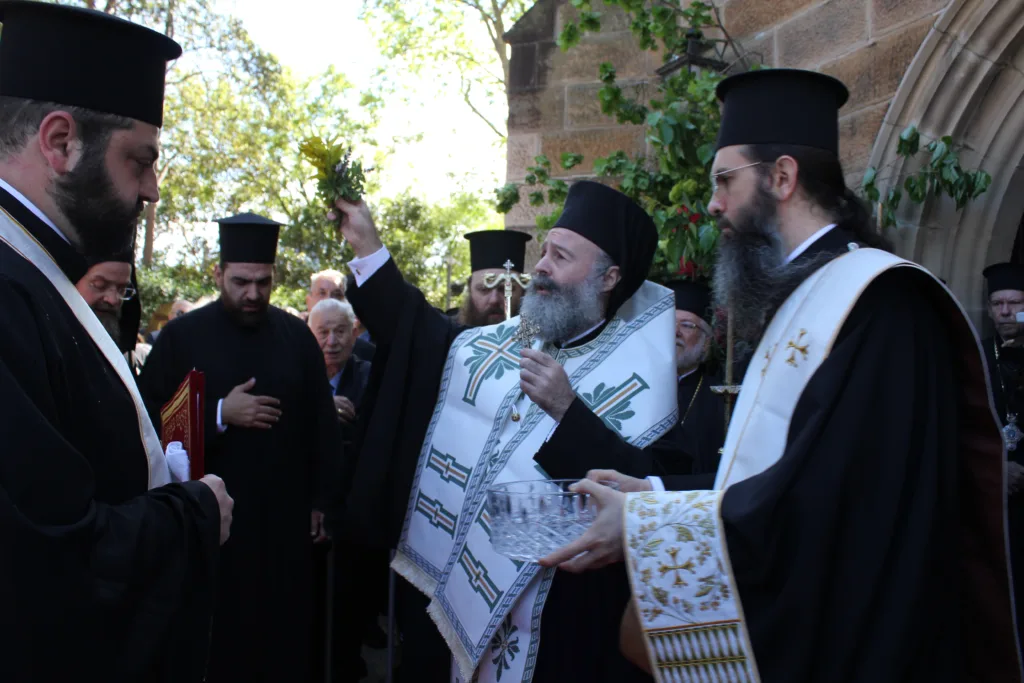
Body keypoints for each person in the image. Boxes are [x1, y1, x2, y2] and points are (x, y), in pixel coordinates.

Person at [540, 68, 1020, 681]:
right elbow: (777, 475)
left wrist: (646, 525)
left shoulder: (881, 304)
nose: (712, 203)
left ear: (783, 177)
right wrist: (658, 494)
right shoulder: (808, 294)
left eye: (724, 180)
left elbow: (828, 500)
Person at [335, 180, 678, 683]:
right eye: (545, 250)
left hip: (556, 611)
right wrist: (368, 246)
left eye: (561, 256)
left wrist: (567, 409)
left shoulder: (642, 376)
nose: (540, 265)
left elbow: (647, 485)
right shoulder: (500, 341)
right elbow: (416, 330)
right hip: (462, 587)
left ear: (608, 278)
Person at [0, 3, 232, 681]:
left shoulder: (36, 277)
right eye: (140, 159)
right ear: (60, 141)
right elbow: (45, 559)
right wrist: (196, 512)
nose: (152, 190)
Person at [138, 212, 343, 683]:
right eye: (241, 282)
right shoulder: (180, 337)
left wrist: (322, 502)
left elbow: (321, 424)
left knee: (285, 636)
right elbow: (148, 423)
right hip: (210, 523)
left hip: (284, 522)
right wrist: (217, 414)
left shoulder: (296, 338)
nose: (253, 293)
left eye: (263, 282)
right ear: (218, 275)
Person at [306, 297, 380, 681]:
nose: (331, 341)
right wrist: (320, 408)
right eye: (322, 332)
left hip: (354, 508)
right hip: (307, 509)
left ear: (355, 334)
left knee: (350, 603)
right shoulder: (299, 376)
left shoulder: (369, 375)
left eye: (340, 331)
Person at [981, 262, 1024, 652]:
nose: (1007, 312)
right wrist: (999, 466)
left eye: (1014, 303)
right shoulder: (976, 358)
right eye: (999, 304)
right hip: (992, 495)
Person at [457, 229, 532, 327]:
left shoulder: (541, 339)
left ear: (522, 291)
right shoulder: (449, 337)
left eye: (505, 289)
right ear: (470, 288)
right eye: (484, 289)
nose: (494, 300)